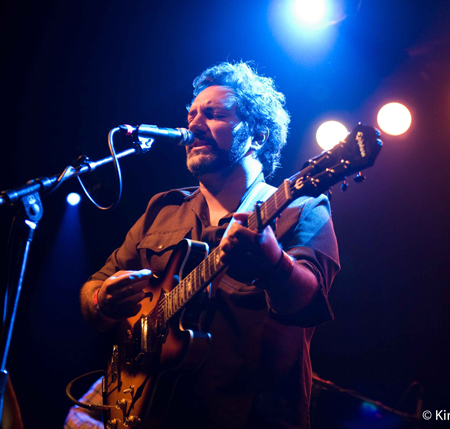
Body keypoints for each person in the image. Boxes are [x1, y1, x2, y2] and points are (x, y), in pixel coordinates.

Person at [80, 61, 340, 428]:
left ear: (257, 136)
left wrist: (273, 265)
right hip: (153, 411)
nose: (194, 125)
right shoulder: (162, 210)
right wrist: (101, 300)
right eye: (191, 115)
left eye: (213, 114)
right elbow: (94, 287)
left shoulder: (301, 208)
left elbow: (309, 305)